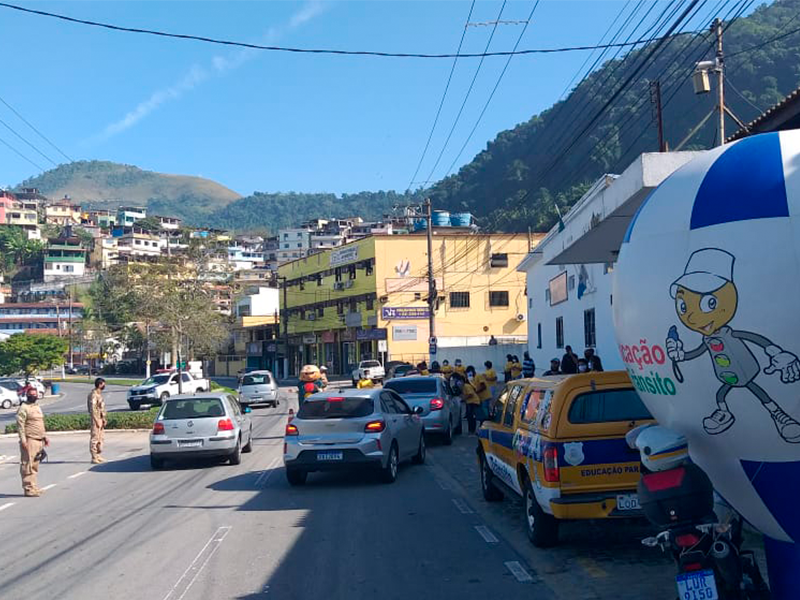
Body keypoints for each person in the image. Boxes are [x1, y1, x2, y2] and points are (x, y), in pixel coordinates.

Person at [17, 388, 49, 497]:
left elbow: (40, 423)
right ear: (27, 395)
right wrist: (23, 440)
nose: (34, 396)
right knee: (28, 465)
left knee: (35, 465)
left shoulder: (37, 407)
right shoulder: (23, 408)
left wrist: (45, 437)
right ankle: (28, 488)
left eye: (35, 394)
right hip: (29, 439)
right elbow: (20, 426)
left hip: (39, 440)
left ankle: (34, 486)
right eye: (31, 395)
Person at [88, 377, 107, 464]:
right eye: (103, 384)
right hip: (95, 419)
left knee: (100, 438)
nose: (104, 385)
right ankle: (94, 457)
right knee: (95, 438)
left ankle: (98, 455)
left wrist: (103, 419)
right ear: (99, 385)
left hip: (100, 418)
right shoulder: (93, 395)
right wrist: (96, 420)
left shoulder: (99, 395)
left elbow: (101, 408)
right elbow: (93, 409)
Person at [462, 366, 482, 434]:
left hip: (473, 402)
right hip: (471, 401)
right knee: (470, 416)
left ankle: (472, 430)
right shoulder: (468, 384)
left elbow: (470, 394)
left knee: (471, 417)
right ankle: (471, 430)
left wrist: (463, 399)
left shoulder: (466, 385)